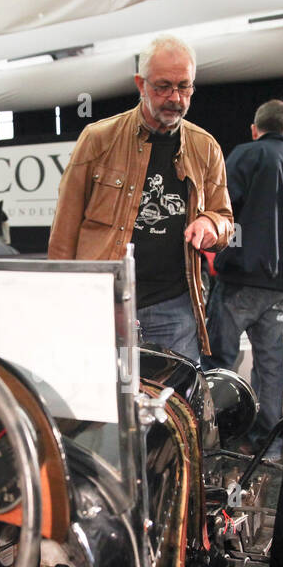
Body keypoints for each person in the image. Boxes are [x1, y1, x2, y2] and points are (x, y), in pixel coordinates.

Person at [48, 34, 233, 362]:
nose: (175, 97)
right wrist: (63, 300)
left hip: (173, 308)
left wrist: (211, 224)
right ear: (140, 84)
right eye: (163, 86)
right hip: (103, 302)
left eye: (184, 86)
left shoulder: (206, 148)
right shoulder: (98, 139)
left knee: (177, 394)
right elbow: (65, 230)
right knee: (100, 392)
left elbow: (225, 220)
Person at [206, 99, 283, 458]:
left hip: (239, 280)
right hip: (280, 286)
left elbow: (221, 208)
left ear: (254, 129)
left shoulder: (245, 155)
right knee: (270, 366)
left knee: (218, 362)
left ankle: (212, 442)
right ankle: (269, 445)